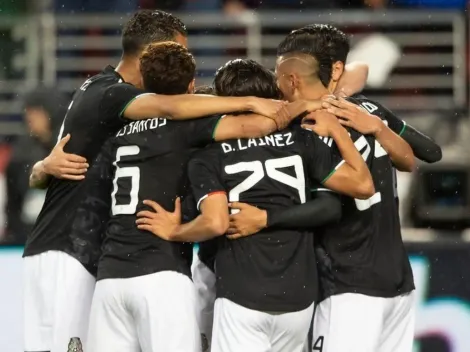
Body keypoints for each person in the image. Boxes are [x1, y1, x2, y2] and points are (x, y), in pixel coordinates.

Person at [22, 10, 290, 352]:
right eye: (178, 52)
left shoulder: (99, 91)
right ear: (155, 51)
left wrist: (41, 169)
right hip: (68, 251)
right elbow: (172, 108)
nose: (178, 63)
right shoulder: (113, 95)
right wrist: (252, 101)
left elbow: (48, 176)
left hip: (89, 256)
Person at [86, 41, 317, 352]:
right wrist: (301, 104)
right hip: (160, 270)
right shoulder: (190, 127)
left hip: (110, 276)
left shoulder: (118, 132)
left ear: (142, 82)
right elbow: (262, 126)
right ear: (192, 85)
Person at [226, 24, 440, 352]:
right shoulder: (368, 110)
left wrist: (265, 218)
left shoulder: (303, 130)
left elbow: (330, 207)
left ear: (294, 75)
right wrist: (377, 126)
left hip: (347, 281)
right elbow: (425, 155)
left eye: (280, 68)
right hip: (397, 279)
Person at [136, 58, 375, 352]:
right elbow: (358, 189)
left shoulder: (207, 154)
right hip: (297, 294)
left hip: (238, 290)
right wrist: (337, 129)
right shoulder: (302, 140)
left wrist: (176, 231)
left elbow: (213, 222)